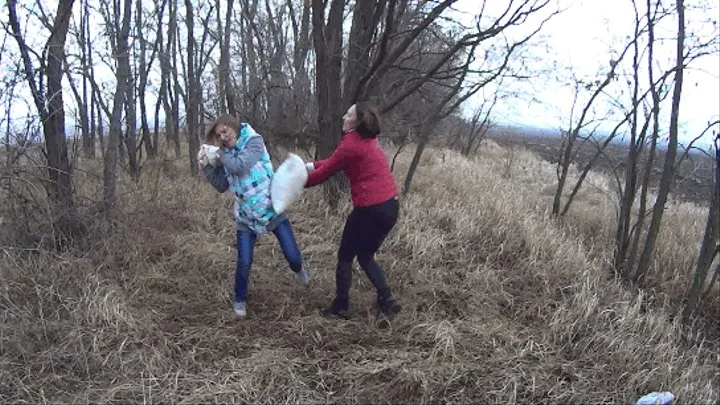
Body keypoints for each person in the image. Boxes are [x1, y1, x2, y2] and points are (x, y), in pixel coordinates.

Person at [199, 114, 310, 319]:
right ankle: (239, 301)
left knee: (292, 255)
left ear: (235, 127)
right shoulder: (227, 154)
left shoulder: (254, 142)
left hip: (271, 208)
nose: (223, 137)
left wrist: (220, 153)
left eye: (225, 131)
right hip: (245, 216)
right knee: (244, 260)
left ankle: (300, 268)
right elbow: (222, 185)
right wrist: (206, 165)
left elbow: (239, 167)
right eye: (218, 135)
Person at [304, 101, 402, 320]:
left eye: (348, 115)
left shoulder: (350, 144)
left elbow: (323, 174)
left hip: (370, 209)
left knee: (346, 256)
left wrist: (291, 182)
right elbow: (333, 162)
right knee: (366, 255)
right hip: (390, 207)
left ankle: (340, 305)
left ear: (357, 122)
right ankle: (388, 300)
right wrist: (307, 166)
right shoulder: (367, 140)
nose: (343, 118)